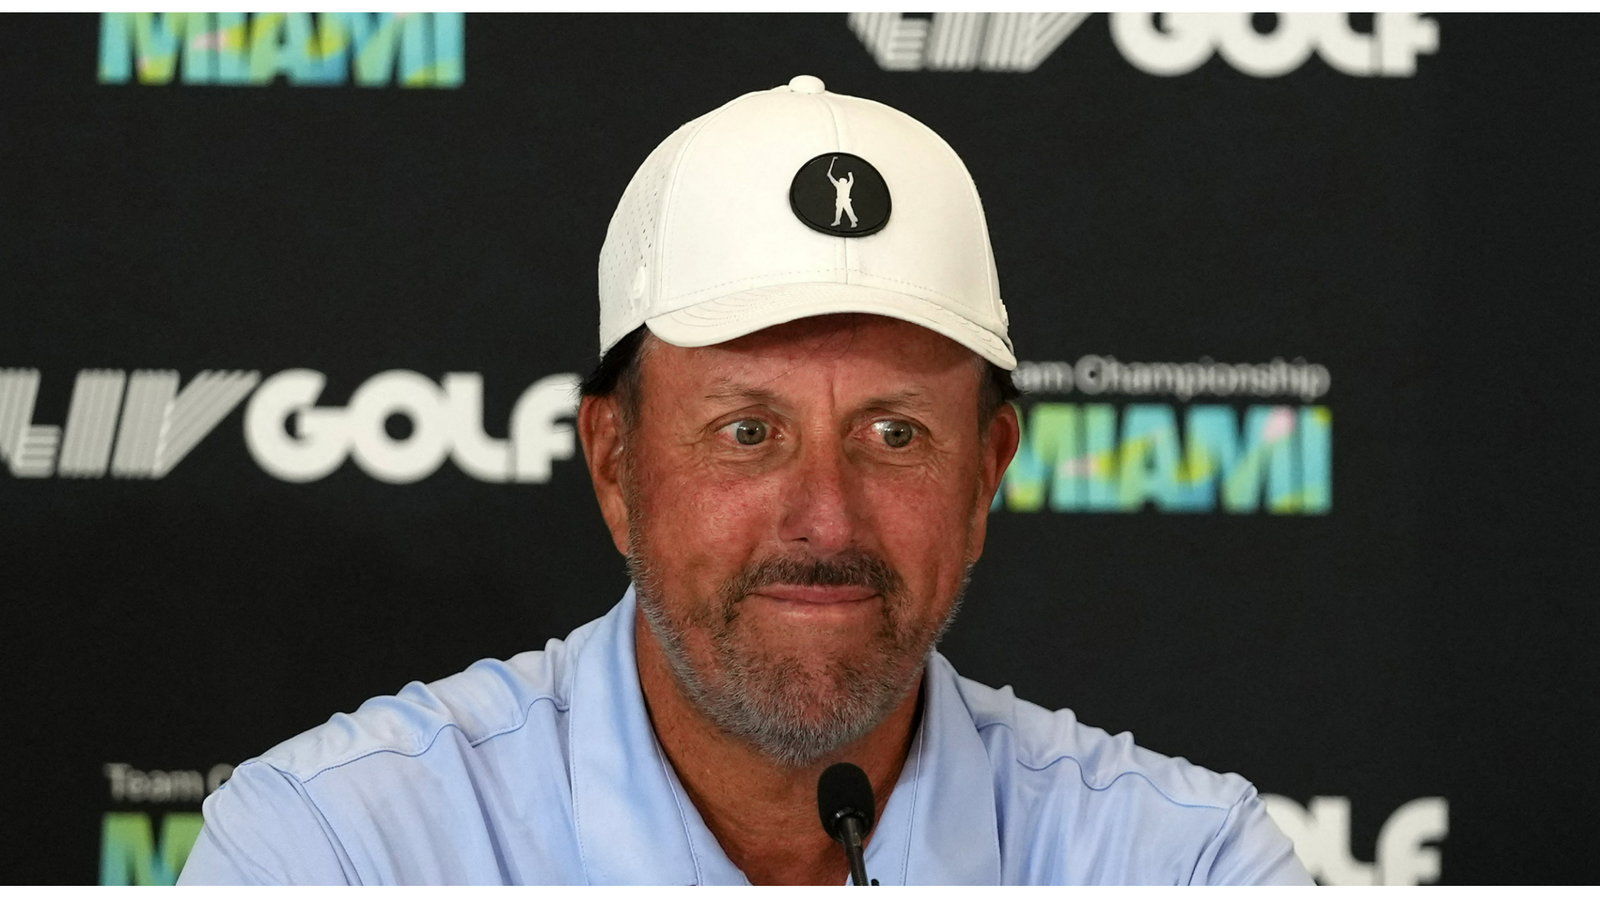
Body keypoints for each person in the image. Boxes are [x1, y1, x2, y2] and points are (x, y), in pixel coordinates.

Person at [178, 75, 1312, 886]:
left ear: (984, 478)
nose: (825, 516)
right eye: (748, 431)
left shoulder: (1181, 864)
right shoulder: (340, 850)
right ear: (615, 464)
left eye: (895, 434)